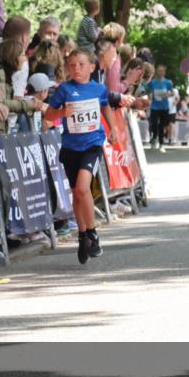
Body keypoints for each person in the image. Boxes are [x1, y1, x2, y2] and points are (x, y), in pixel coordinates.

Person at [43, 49, 118, 264]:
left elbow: (105, 107)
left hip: (92, 145)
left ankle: (92, 233)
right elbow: (49, 115)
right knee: (77, 193)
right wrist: (60, 114)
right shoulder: (64, 90)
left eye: (81, 64)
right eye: (72, 65)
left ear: (92, 67)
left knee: (84, 188)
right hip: (70, 147)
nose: (76, 68)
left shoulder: (99, 89)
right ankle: (82, 234)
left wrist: (112, 128)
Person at [0, 38, 43, 135]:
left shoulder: (6, 76)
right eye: (22, 55)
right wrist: (30, 105)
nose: (25, 58)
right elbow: (1, 102)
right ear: (12, 57)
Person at [147, 64, 174, 152]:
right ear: (156, 71)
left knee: (162, 125)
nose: (160, 72)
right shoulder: (152, 82)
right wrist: (150, 99)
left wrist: (168, 94)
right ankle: (154, 137)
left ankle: (161, 143)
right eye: (159, 70)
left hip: (164, 107)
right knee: (154, 124)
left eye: (162, 71)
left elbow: (172, 93)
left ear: (164, 72)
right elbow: (150, 93)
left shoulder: (168, 82)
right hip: (154, 107)